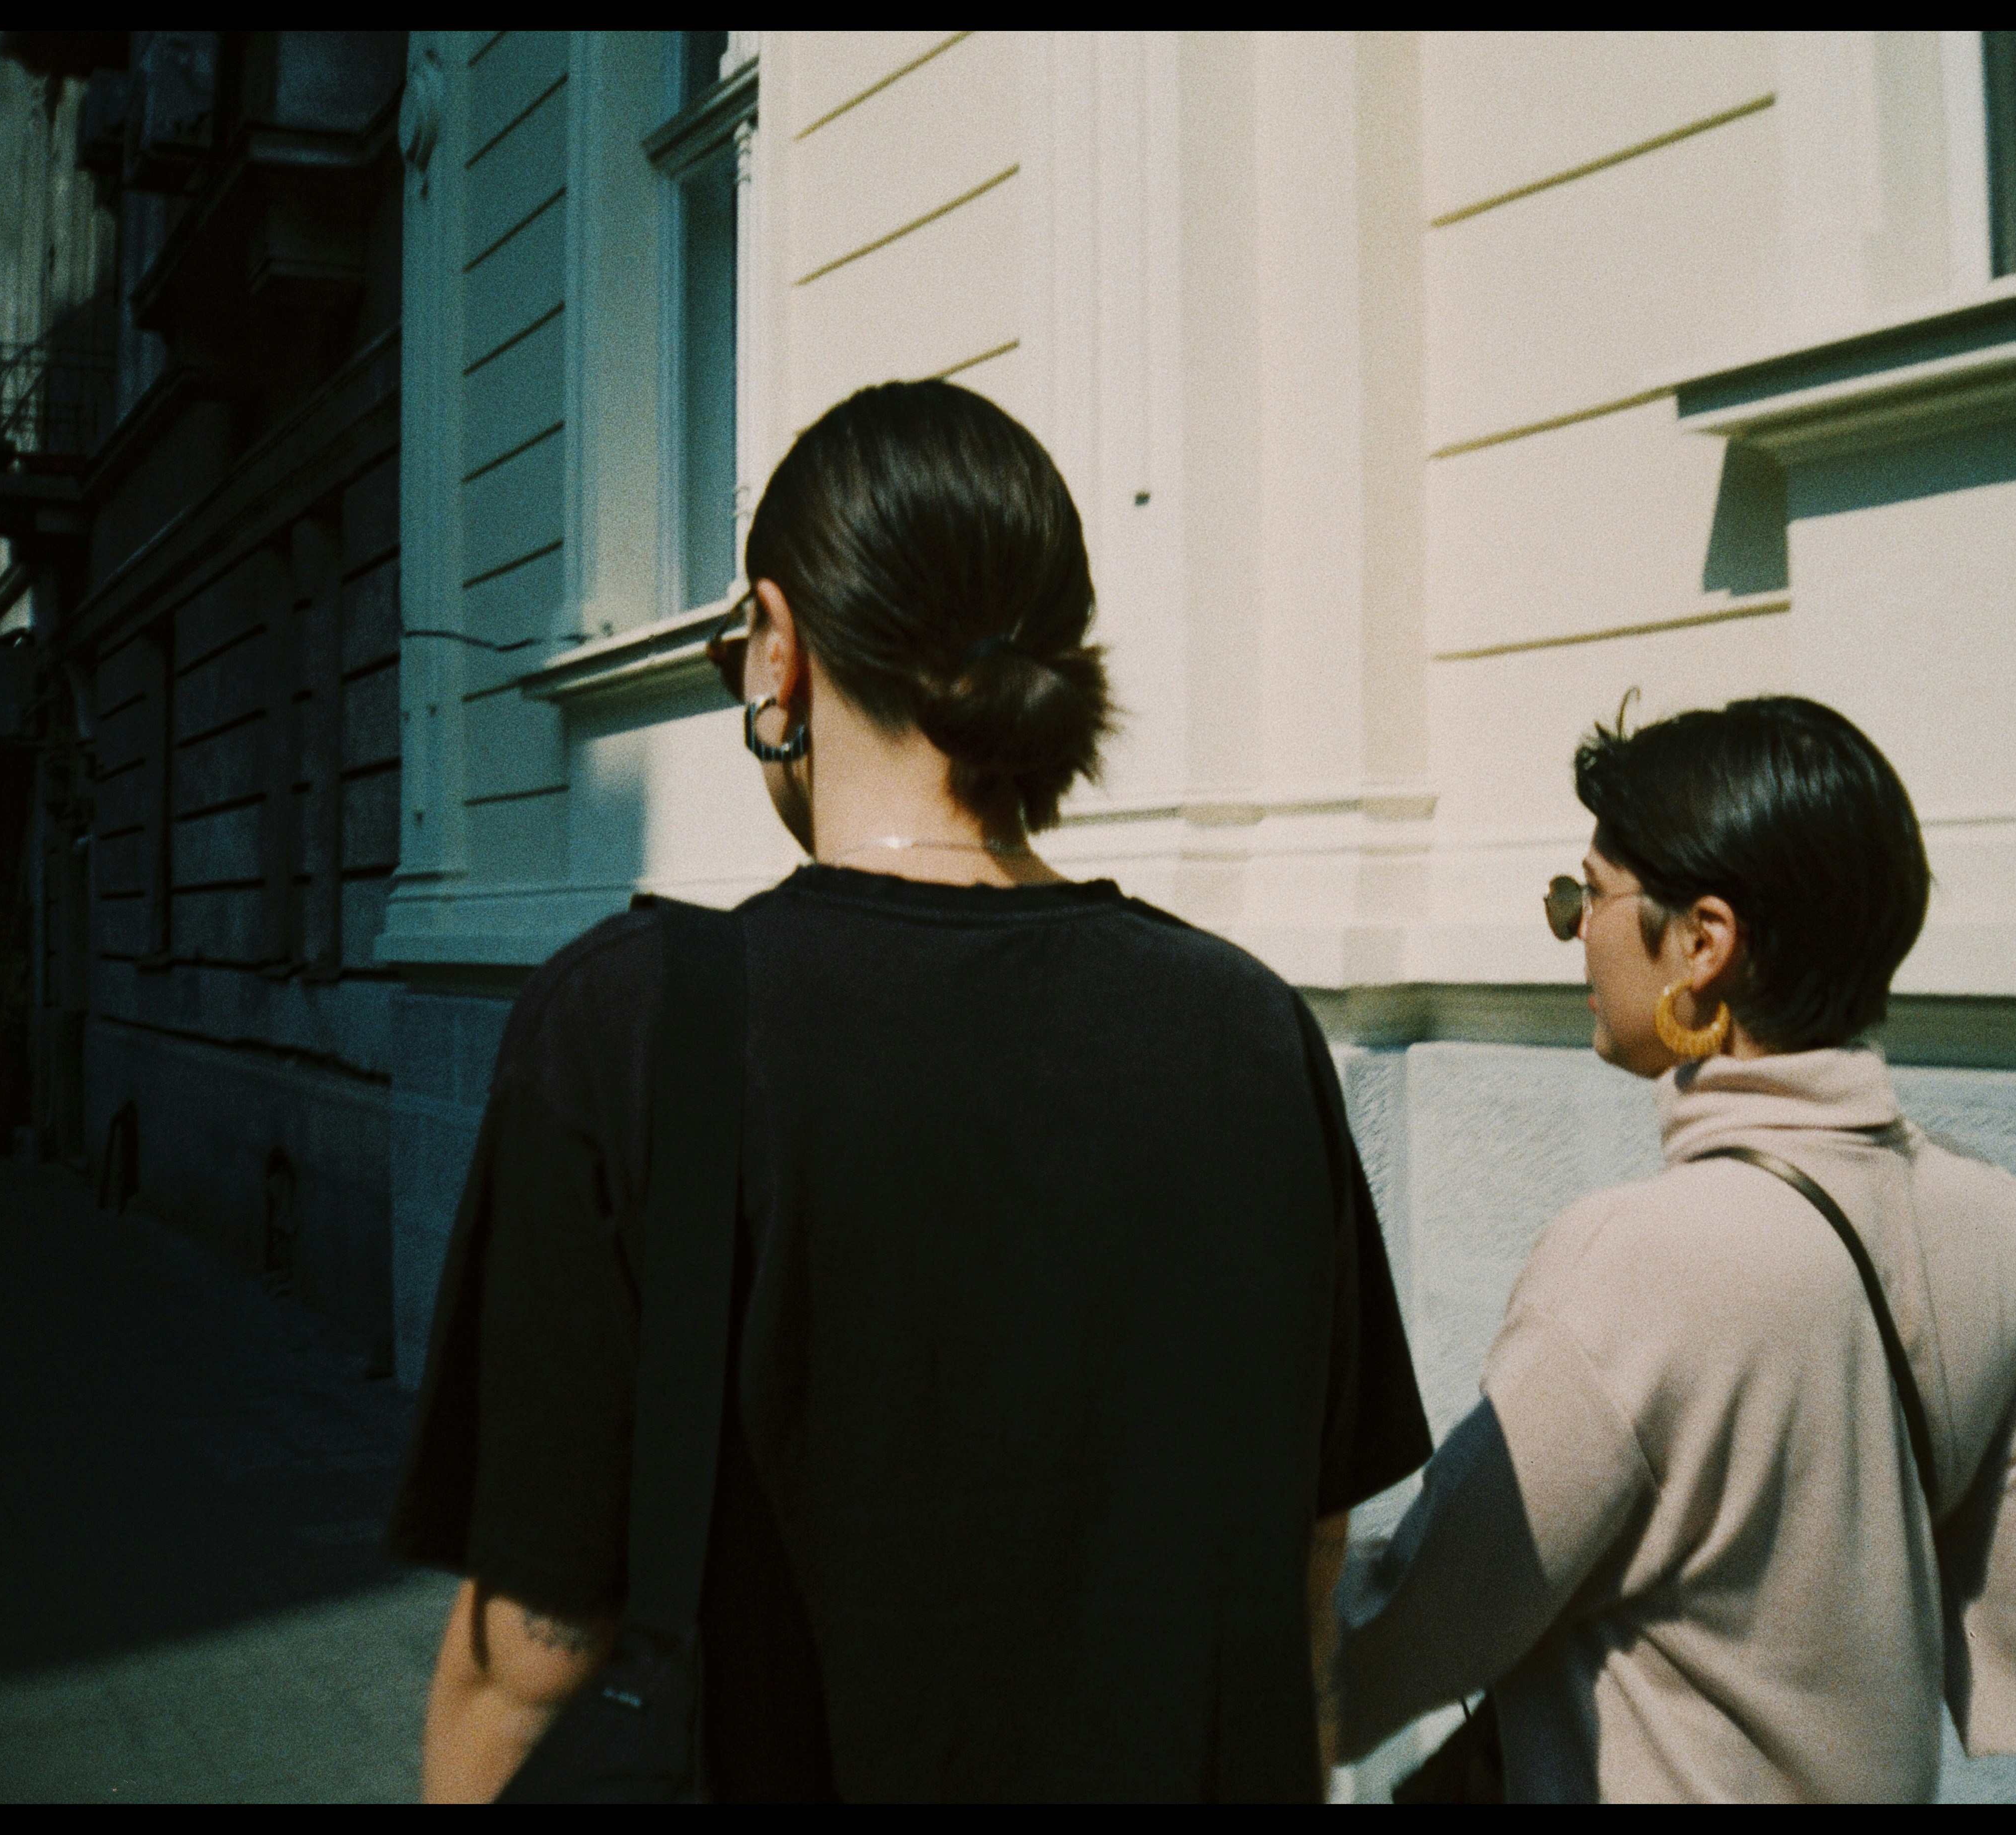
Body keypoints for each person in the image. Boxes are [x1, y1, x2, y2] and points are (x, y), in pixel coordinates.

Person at [387, 379, 1432, 1801]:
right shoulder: (1251, 1030)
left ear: (777, 649)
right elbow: (1301, 1600)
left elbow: (523, 1666)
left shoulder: (634, 1027)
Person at [1332, 695, 2016, 1802]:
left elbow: (1407, 1630)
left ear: (1703, 943)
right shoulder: (1995, 1224)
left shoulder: (1631, 1260)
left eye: (1586, 893)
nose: (1573, 929)